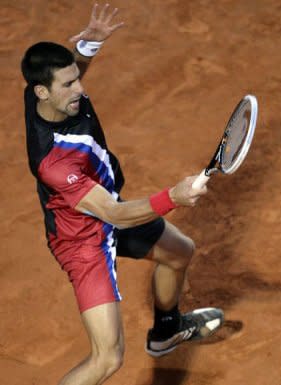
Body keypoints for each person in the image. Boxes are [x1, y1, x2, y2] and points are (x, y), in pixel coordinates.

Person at [21, 4, 224, 385]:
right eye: (68, 84)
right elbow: (113, 215)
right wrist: (173, 198)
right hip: (84, 242)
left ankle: (166, 332)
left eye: (75, 79)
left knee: (180, 252)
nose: (80, 88)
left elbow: (72, 74)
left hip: (106, 215)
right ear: (42, 92)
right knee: (107, 358)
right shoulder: (55, 163)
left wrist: (87, 50)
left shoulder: (42, 99)